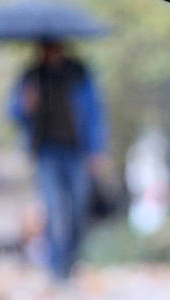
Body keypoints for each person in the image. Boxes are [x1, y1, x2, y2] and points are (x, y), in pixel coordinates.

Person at [9, 40, 108, 280]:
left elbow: (95, 112)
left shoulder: (79, 73)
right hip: (47, 152)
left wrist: (97, 149)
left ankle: (70, 260)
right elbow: (13, 111)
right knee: (53, 209)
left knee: (77, 208)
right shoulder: (31, 76)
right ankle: (56, 269)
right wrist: (25, 105)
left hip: (77, 152)